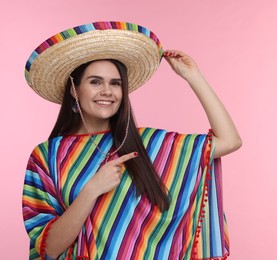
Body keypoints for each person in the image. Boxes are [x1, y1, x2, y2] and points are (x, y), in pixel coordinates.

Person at [22, 21, 241, 260]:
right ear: (74, 90)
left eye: (115, 84)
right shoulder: (48, 156)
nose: (107, 91)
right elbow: (50, 249)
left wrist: (193, 76)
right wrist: (92, 190)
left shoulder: (148, 144)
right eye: (95, 82)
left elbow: (229, 140)